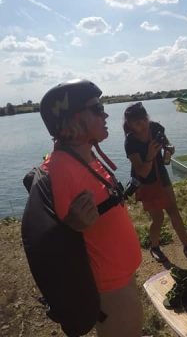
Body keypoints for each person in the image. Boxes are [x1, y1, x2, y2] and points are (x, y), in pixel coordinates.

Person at [29, 80, 143, 337]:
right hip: (108, 283)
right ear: (73, 119)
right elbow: (57, 243)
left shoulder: (84, 154)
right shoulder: (60, 169)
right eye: (97, 108)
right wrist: (71, 226)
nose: (105, 114)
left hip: (121, 272)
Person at [123, 102, 187, 263]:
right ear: (130, 125)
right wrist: (151, 155)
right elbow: (142, 171)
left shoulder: (156, 128)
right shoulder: (130, 142)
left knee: (174, 211)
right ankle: (154, 247)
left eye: (144, 120)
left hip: (162, 176)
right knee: (158, 218)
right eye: (138, 123)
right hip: (146, 182)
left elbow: (167, 145)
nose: (143, 125)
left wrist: (169, 149)